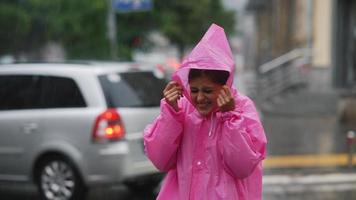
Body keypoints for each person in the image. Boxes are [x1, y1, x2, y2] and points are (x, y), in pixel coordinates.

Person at [143, 23, 267, 200]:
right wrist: (171, 113)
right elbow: (161, 160)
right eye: (194, 90)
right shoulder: (182, 107)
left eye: (207, 91)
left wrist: (229, 118)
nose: (200, 98)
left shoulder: (242, 108)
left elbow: (243, 167)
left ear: (225, 87)